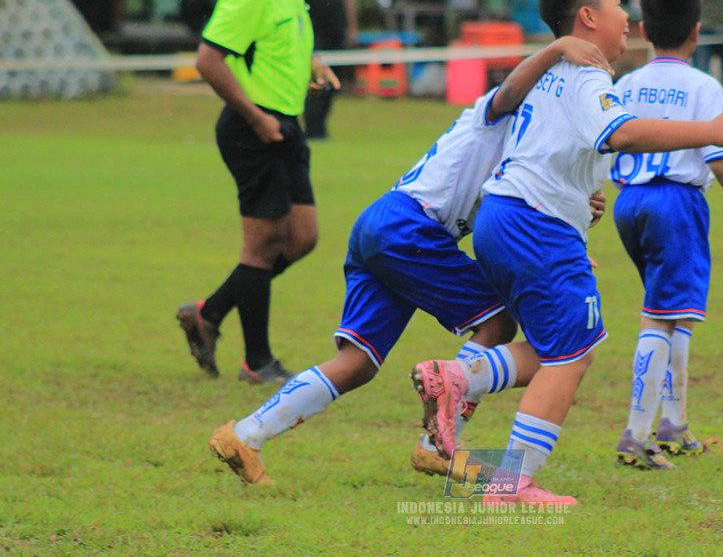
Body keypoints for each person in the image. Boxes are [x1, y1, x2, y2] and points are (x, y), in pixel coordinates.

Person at [413, 0, 723, 507]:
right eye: (617, 4)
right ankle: (512, 486)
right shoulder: (586, 76)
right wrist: (713, 131)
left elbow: (551, 145)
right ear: (588, 17)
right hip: (534, 225)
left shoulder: (550, 72)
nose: (628, 16)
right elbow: (621, 134)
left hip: (504, 217)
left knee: (548, 347)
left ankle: (459, 376)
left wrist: (579, 202)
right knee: (572, 356)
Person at [206, 36, 615, 485]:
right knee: (498, 321)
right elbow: (512, 94)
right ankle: (435, 446)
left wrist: (570, 220)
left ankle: (244, 434)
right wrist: (557, 49)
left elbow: (516, 211)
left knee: (358, 362)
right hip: (409, 229)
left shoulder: (528, 148)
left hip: (383, 224)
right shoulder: (499, 115)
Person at [176, 0, 339, 386]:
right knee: (263, 245)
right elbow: (209, 59)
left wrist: (312, 62)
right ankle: (258, 362)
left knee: (303, 238)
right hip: (255, 130)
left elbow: (278, 41)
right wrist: (254, 117)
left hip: (286, 125)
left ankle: (209, 312)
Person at [609, 0, 723, 471]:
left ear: (643, 29)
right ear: (697, 31)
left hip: (629, 204)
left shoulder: (627, 83)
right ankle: (636, 434)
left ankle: (673, 424)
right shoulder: (703, 86)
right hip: (676, 203)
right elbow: (718, 157)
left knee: (670, 308)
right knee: (660, 315)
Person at [294, 0, 358, 140]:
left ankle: (320, 126)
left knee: (333, 80)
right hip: (313, 32)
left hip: (335, 30)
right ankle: (313, 128)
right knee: (316, 80)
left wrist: (351, 27)